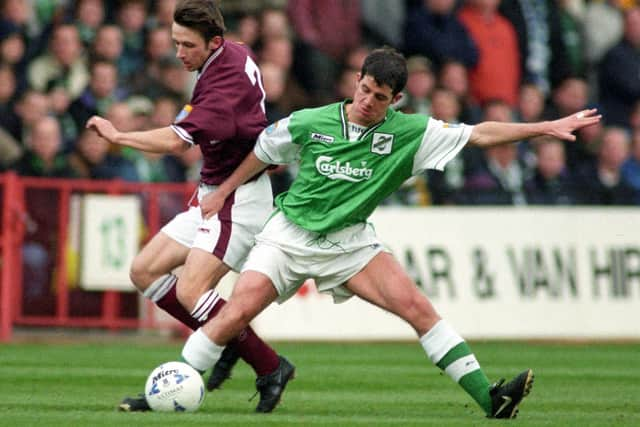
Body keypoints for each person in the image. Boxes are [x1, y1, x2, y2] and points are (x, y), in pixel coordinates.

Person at [180, 47, 601, 419]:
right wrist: (223, 193)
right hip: (288, 236)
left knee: (419, 309)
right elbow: (260, 153)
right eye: (363, 89)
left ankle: (492, 401)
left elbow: (479, 133)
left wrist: (543, 127)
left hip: (350, 243)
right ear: (356, 81)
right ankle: (169, 389)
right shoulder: (309, 121)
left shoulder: (411, 133)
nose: (366, 101)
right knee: (236, 313)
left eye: (379, 97)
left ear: (395, 100)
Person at [86, 0, 292, 414]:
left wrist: (118, 136)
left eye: (187, 46)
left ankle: (267, 364)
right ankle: (226, 336)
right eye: (175, 42)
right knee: (143, 270)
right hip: (213, 191)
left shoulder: (220, 93)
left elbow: (174, 142)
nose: (178, 53)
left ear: (213, 42)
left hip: (238, 198)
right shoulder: (234, 50)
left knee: (191, 289)